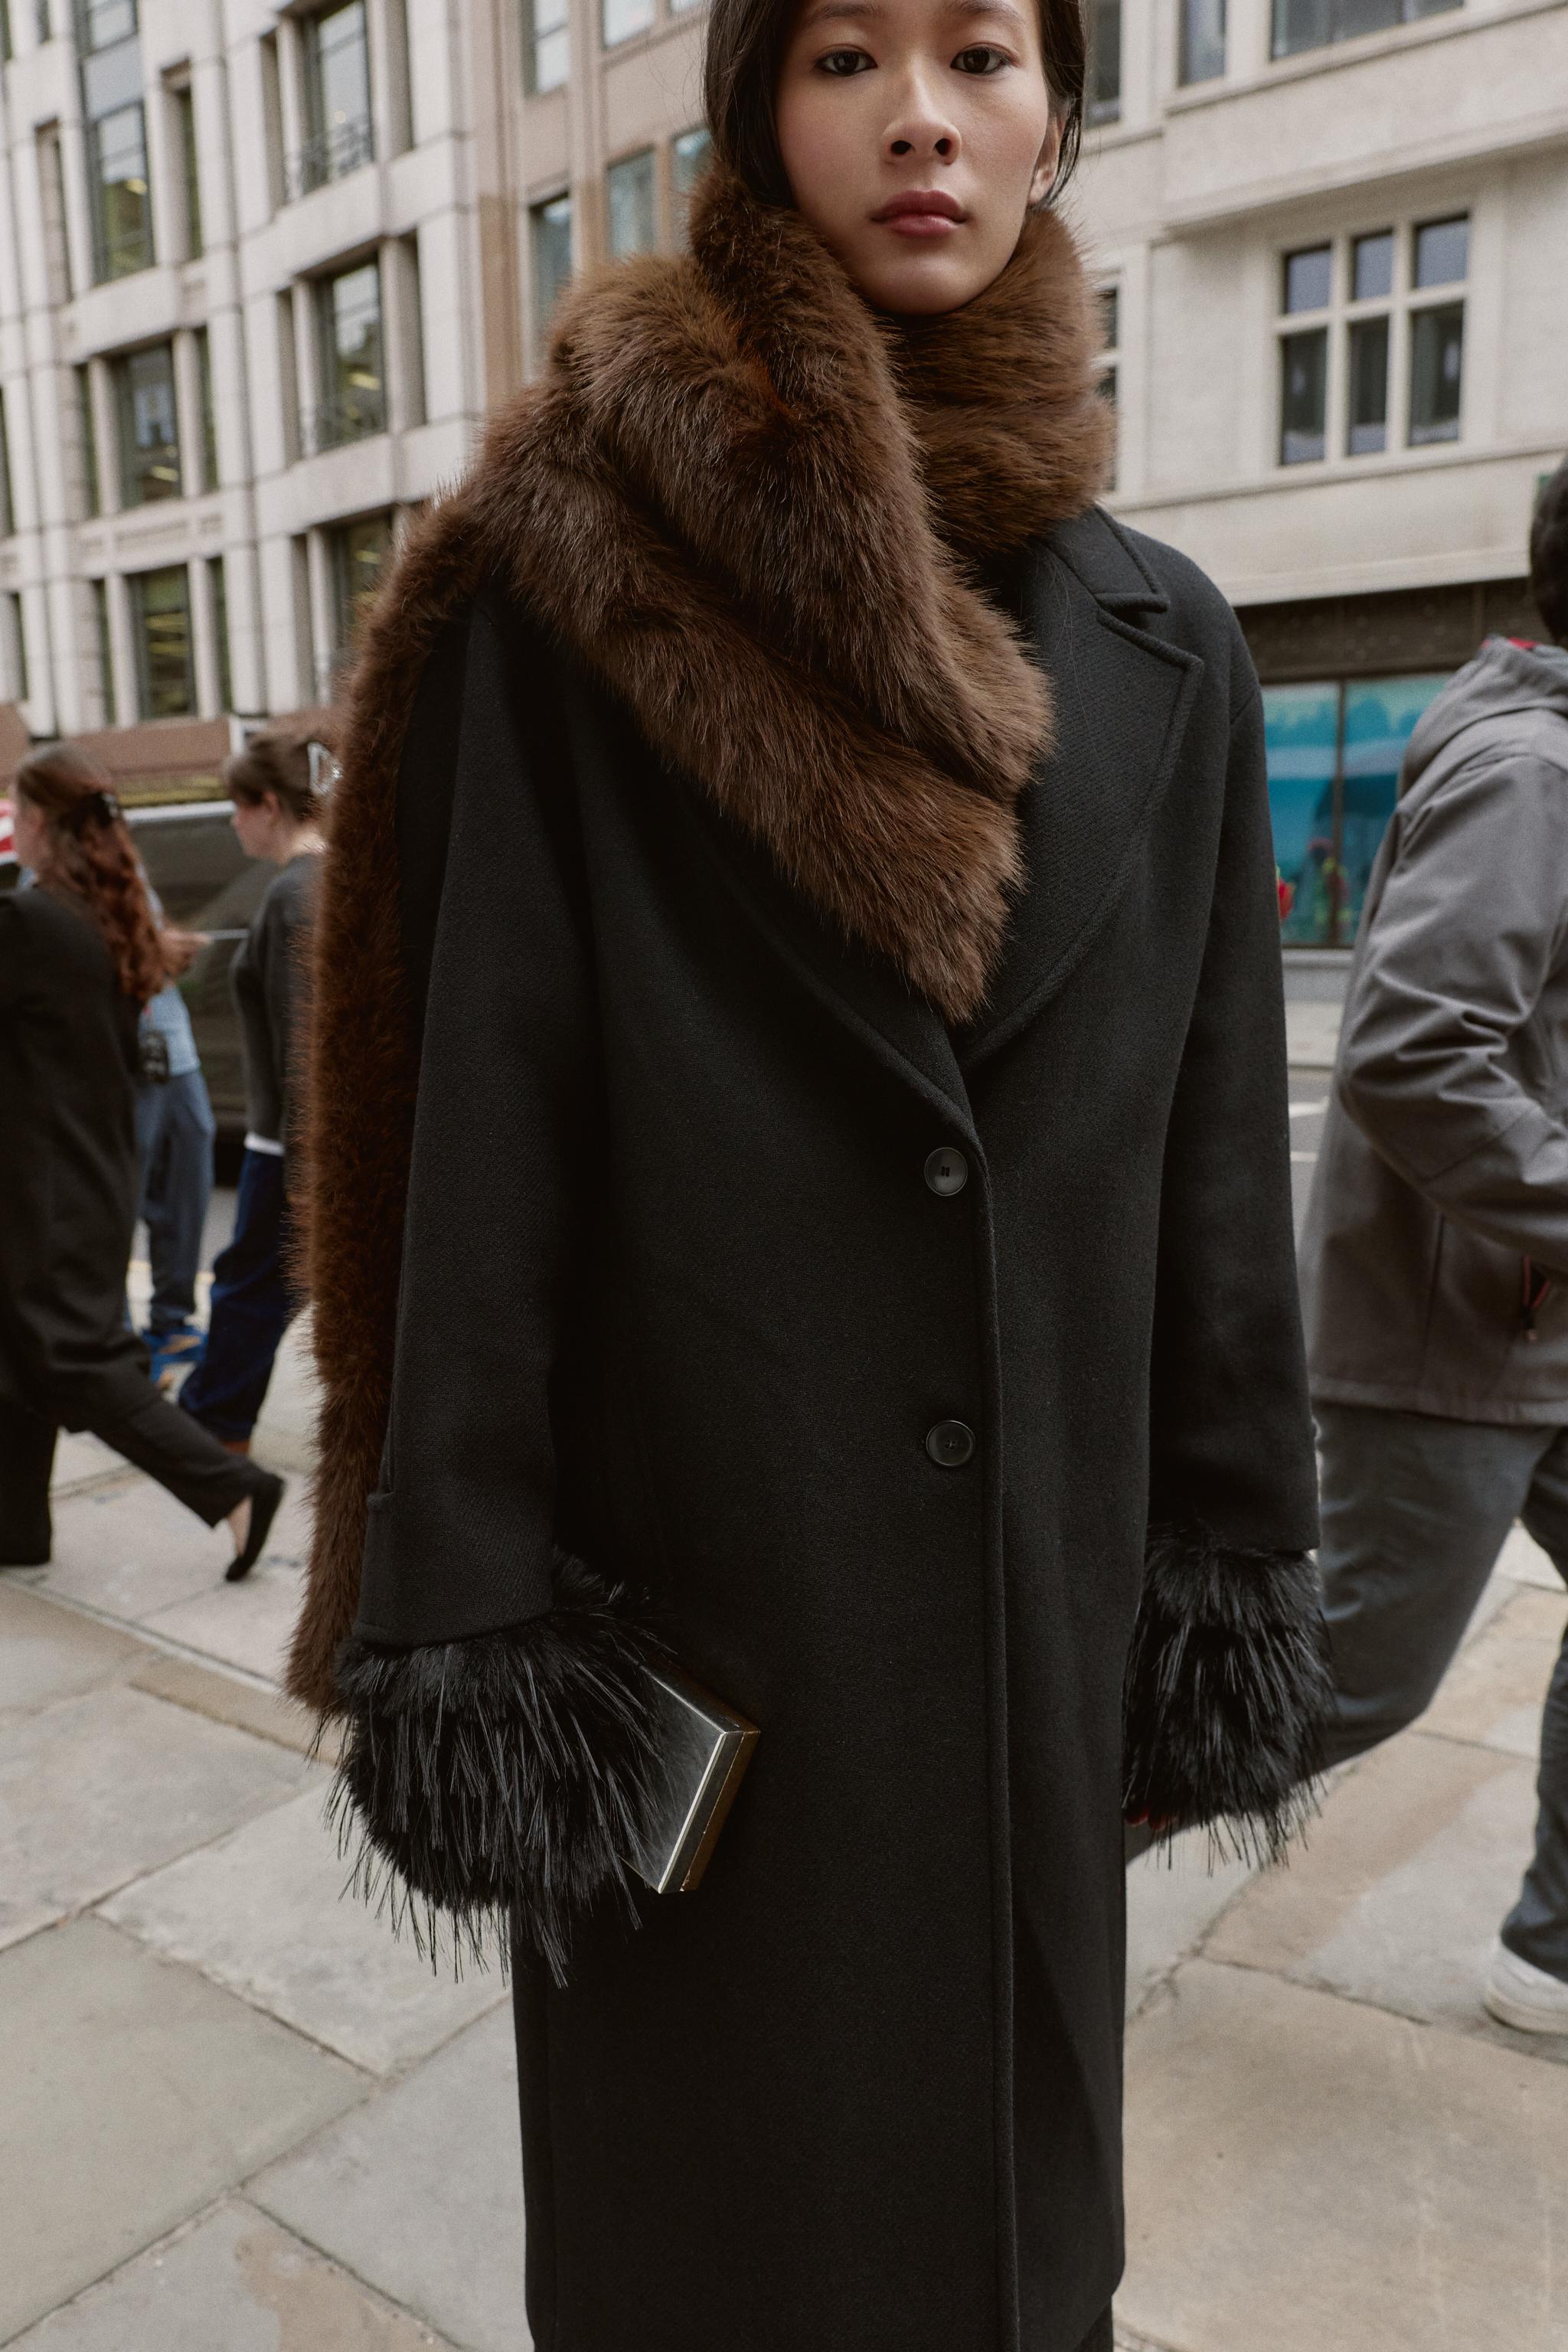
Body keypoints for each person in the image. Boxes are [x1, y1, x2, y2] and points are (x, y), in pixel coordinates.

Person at [288, 1, 1326, 2346]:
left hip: (1029, 1655)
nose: (921, 118)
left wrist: (1222, 1556)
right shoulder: (569, 589)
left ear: (1059, 109)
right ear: (760, 109)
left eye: (982, 51)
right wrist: (464, 1604)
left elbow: (1206, 1166)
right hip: (711, 1653)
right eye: (847, 54)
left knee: (1006, 2258)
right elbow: (475, 1139)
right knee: (713, 2260)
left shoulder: (1172, 641)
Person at [1299, 453, 1568, 2037]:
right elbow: (1409, 1050)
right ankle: (985, 1885)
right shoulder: (1531, 772)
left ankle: (1553, 1950)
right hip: (1451, 1330)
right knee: (1344, 1686)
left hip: (1536, 1319)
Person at [0, 743, 283, 1579]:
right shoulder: (98, 917)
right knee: (17, 1352)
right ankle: (15, 1529)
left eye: (16, 811)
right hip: (83, 1176)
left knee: (72, 1357)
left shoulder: (32, 924)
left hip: (46, 1189)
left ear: (39, 822)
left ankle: (234, 1489)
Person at [178, 730, 329, 1453]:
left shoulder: (292, 897)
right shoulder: (334, 882)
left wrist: (304, 1172)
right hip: (311, 1140)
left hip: (285, 1143)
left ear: (269, 805)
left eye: (237, 805)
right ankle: (213, 1413)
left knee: (249, 1284)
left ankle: (214, 1424)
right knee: (267, 1283)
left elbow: (305, 1050)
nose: (232, 821)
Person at [135, 916, 217, 1390]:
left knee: (187, 1190)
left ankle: (170, 1325)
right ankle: (116, 1349)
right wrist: (147, 950)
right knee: (119, 1199)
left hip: (177, 1055)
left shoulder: (138, 878)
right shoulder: (54, 872)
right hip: (122, 1060)